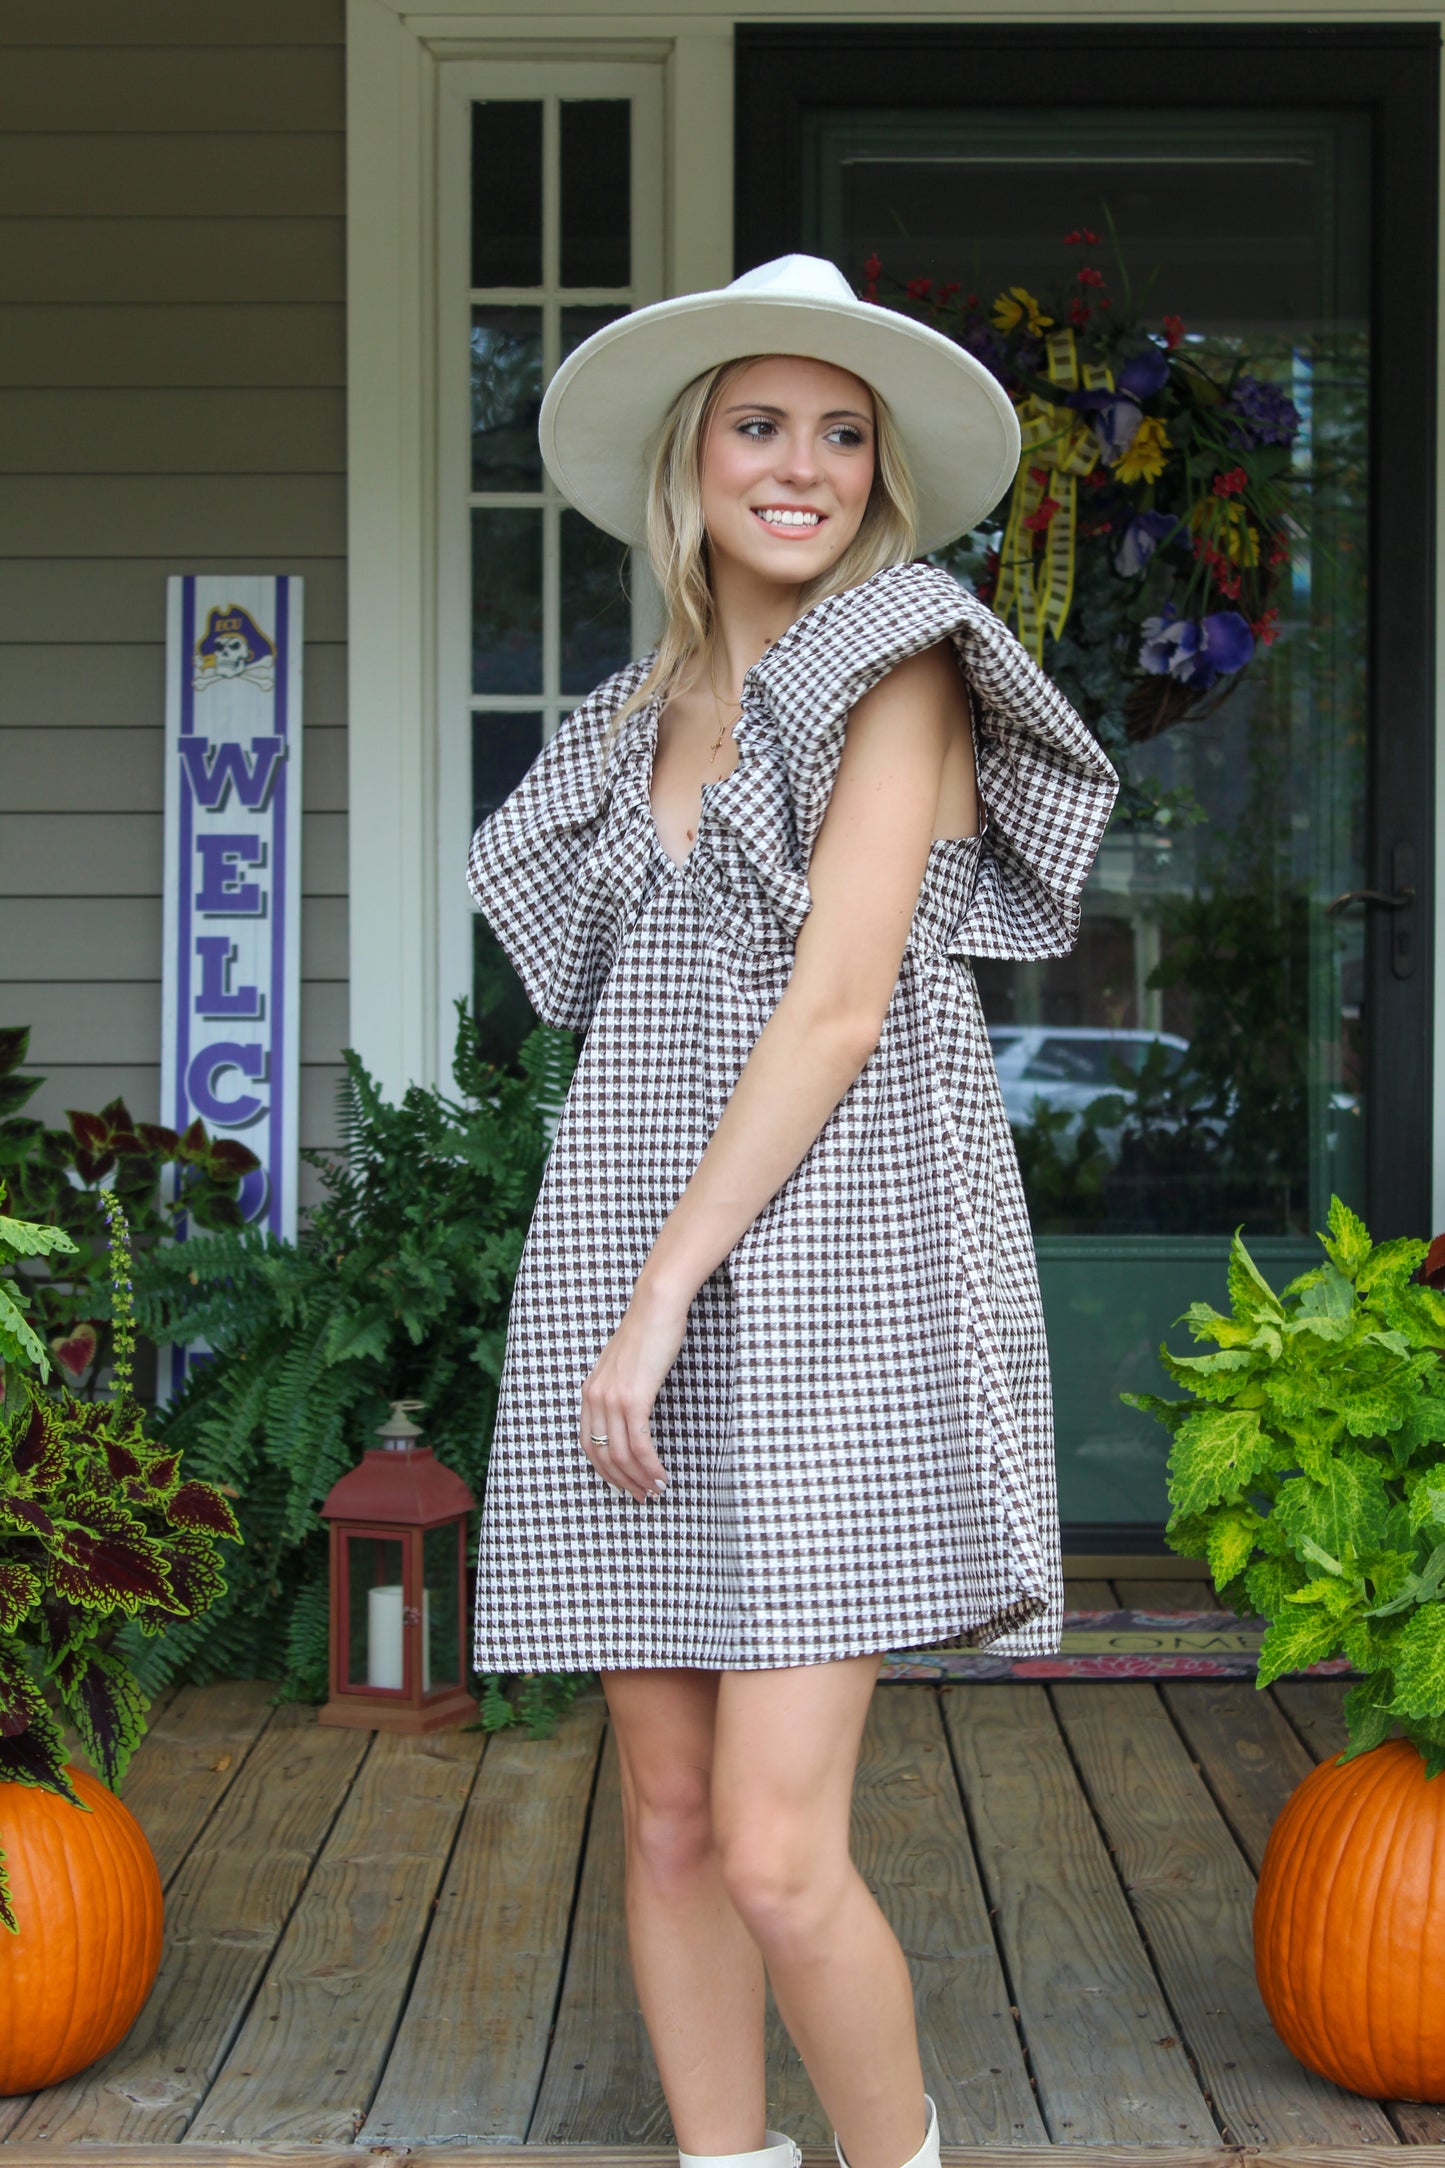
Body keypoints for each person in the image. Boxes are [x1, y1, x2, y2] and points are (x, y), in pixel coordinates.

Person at [467, 255, 1119, 2168]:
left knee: (769, 1838)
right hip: (625, 1242)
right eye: (762, 426)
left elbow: (837, 1004)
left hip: (825, 1263)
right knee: (663, 1814)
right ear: (688, 464)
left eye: (842, 436)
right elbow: (620, 1014)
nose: (805, 466)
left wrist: (665, 1295)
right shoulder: (631, 714)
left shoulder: (901, 653)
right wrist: (630, 1287)